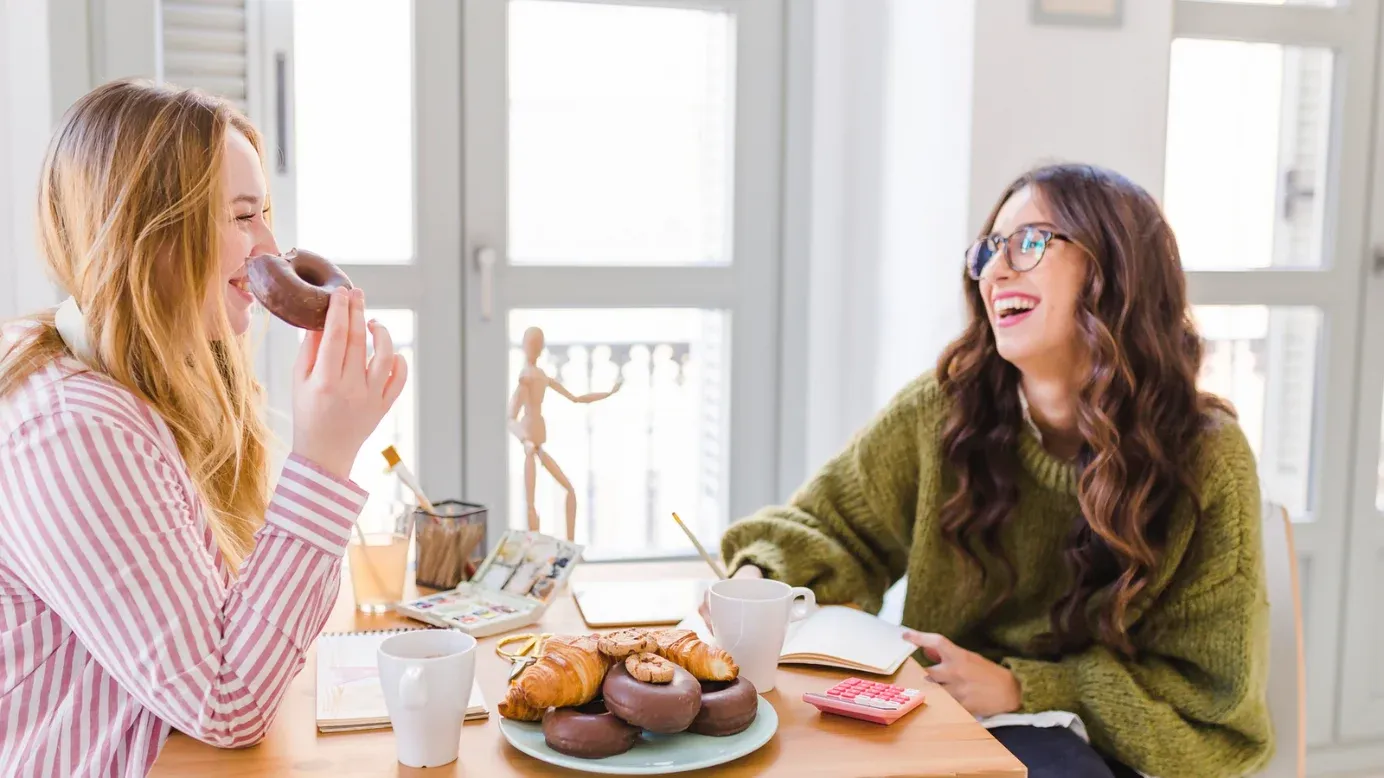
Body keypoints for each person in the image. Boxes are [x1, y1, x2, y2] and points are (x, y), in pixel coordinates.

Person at [712, 163, 1272, 778]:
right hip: (951, 720)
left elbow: (1208, 699)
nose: (996, 271)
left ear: (1115, 270)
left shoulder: (1206, 456)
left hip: (1116, 751)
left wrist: (1025, 688)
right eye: (989, 249)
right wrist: (758, 580)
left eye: (1031, 242)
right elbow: (831, 527)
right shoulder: (944, 408)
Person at [0, 79, 407, 777]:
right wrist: (326, 456)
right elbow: (226, 700)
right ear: (151, 230)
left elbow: (231, 629)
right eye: (243, 216)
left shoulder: (150, 384)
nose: (270, 246)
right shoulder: (73, 428)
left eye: (266, 214)